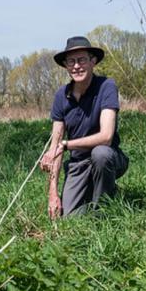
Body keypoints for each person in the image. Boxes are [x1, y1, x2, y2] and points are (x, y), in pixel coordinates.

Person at [39, 36, 129, 217]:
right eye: (71, 61)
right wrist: (52, 194)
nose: (77, 66)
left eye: (82, 60)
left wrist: (66, 145)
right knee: (69, 218)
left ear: (92, 61)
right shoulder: (60, 96)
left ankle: (104, 211)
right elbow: (54, 147)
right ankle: (99, 190)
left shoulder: (106, 86)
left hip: (108, 157)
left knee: (100, 154)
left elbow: (106, 137)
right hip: (78, 164)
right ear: (65, 66)